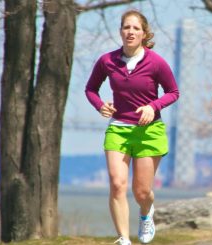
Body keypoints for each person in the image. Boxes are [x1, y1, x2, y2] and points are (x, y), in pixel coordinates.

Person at [85, 10, 179, 245]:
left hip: (149, 131)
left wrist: (153, 106)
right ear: (120, 31)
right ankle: (123, 238)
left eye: (136, 28)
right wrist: (100, 105)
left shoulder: (156, 62)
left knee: (141, 192)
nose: (130, 32)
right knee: (117, 184)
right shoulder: (107, 61)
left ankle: (146, 213)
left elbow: (173, 92)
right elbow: (91, 89)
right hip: (118, 128)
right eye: (127, 27)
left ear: (144, 33)